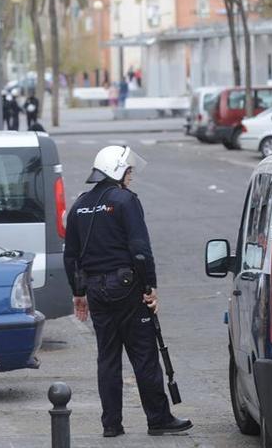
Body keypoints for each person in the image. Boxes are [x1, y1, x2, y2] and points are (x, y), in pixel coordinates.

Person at [63, 146, 193, 438]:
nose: (131, 177)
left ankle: (111, 424)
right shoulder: (125, 201)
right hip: (126, 289)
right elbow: (140, 250)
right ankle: (158, 419)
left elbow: (70, 256)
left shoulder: (80, 205)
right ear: (117, 170)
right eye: (129, 171)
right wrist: (149, 288)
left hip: (96, 291)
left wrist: (79, 292)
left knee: (107, 359)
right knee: (144, 355)